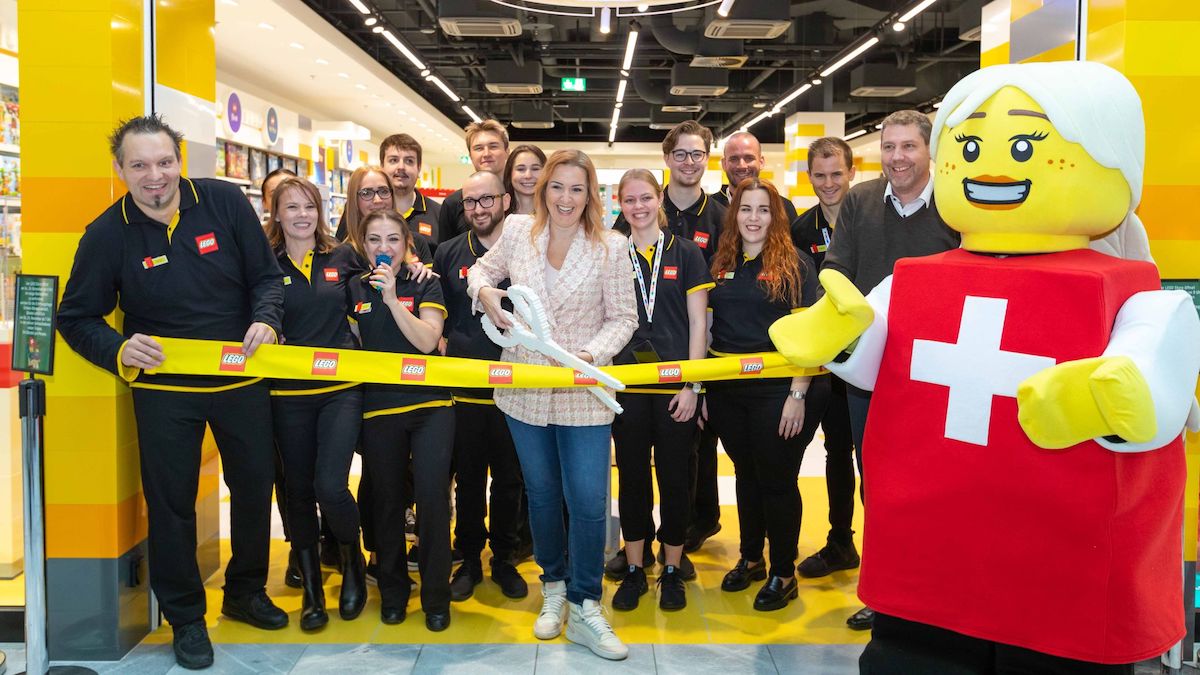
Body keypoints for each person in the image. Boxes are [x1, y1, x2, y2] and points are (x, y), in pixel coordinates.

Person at [58, 115, 287, 670]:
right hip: (165, 392)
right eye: (138, 165)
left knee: (255, 489)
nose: (153, 176)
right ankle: (185, 618)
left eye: (163, 162)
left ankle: (245, 591)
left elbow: (266, 278)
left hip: (243, 378)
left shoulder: (223, 204)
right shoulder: (106, 233)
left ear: (179, 161)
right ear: (119, 170)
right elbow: (75, 316)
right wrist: (116, 350)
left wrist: (268, 319)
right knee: (171, 506)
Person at [468, 149, 637, 660]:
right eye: (557, 187)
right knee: (540, 495)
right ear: (543, 190)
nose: (566, 198)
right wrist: (486, 296)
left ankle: (587, 603)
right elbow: (479, 270)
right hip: (525, 393)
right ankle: (554, 587)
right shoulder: (519, 231)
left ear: (591, 195)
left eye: (577, 188)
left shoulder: (612, 245)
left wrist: (588, 355)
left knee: (587, 500)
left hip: (583, 392)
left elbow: (624, 318)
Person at [821, 109, 960, 631]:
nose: (897, 157)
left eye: (908, 147)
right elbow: (837, 267)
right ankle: (886, 591)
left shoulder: (955, 202)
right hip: (871, 373)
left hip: (938, 372)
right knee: (876, 481)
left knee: (938, 482)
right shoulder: (859, 201)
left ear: (930, 151)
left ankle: (939, 588)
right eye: (889, 147)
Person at [705, 177, 828, 612]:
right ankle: (751, 557)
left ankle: (783, 571)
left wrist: (798, 393)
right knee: (744, 473)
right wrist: (701, 387)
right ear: (733, 215)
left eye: (762, 210)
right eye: (745, 209)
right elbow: (708, 327)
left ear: (775, 217)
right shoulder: (721, 261)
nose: (753, 218)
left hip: (778, 390)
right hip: (727, 390)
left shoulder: (793, 262)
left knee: (776, 479)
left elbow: (809, 335)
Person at [264, 177, 367, 631]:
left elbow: (383, 279)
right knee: (298, 490)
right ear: (277, 213)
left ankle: (353, 564)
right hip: (286, 396)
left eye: (309, 206)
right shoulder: (265, 264)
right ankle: (310, 592)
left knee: (330, 484)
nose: (302, 215)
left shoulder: (342, 256)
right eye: (292, 208)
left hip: (340, 390)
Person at [610, 169, 712, 613]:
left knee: (674, 479)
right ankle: (635, 567)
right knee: (632, 478)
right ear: (620, 205)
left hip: (675, 390)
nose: (638, 207)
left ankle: (671, 568)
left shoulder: (686, 253)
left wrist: (694, 385)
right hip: (627, 387)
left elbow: (698, 324)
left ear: (659, 201)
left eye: (645, 198)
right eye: (629, 201)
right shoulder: (611, 254)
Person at [350, 209, 454, 631]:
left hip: (431, 410)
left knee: (431, 503)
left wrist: (392, 299)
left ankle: (436, 598)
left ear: (407, 243)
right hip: (379, 411)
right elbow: (352, 341)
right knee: (386, 504)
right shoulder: (354, 288)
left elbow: (428, 340)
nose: (383, 249)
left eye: (393, 239)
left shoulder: (426, 282)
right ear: (363, 244)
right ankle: (392, 592)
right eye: (374, 240)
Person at [433, 171, 528, 602]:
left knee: (510, 480)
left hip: (520, 386)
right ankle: (469, 560)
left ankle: (504, 559)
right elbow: (438, 314)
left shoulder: (526, 248)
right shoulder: (450, 252)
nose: (478, 209)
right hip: (466, 389)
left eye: (486, 199)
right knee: (469, 480)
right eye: (469, 202)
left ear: (506, 200)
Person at [793, 137, 860, 580]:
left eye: (837, 174)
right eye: (820, 175)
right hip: (820, 364)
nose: (829, 183)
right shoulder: (800, 229)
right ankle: (840, 542)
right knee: (834, 450)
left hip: (869, 358)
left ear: (851, 173)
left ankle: (887, 553)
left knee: (870, 458)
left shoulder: (872, 219)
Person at [438, 119, 510, 237]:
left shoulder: (520, 197)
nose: (486, 154)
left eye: (493, 146)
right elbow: (445, 252)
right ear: (470, 156)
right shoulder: (453, 204)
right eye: (478, 148)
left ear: (507, 151)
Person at [380, 133, 445, 250]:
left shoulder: (440, 215)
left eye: (409, 161)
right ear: (382, 166)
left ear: (419, 168)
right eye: (393, 160)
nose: (401, 167)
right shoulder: (366, 210)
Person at [503, 144, 545, 215]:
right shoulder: (497, 215)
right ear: (510, 173)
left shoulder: (556, 216)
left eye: (535, 169)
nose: (528, 176)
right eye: (521, 169)